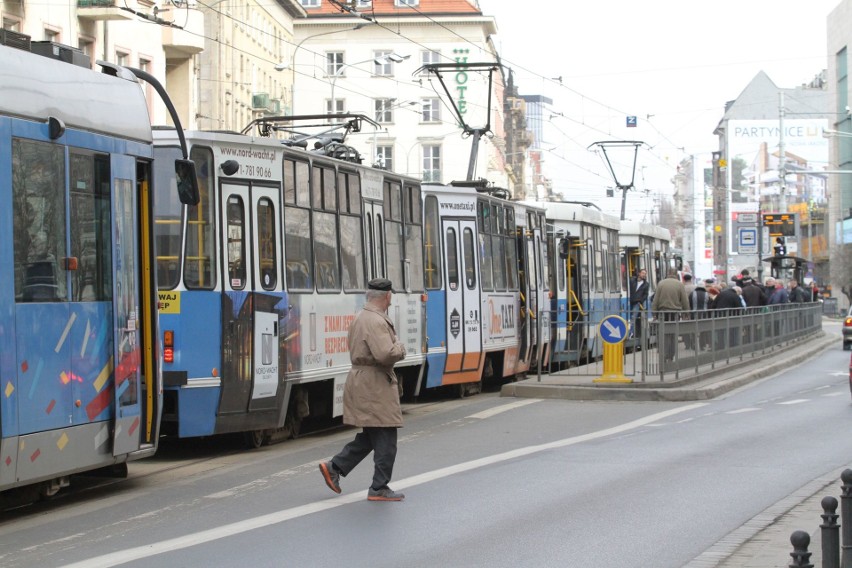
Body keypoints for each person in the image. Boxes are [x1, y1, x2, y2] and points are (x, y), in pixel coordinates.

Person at [319, 278, 407, 502]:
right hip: (374, 384)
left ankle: (334, 467)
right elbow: (385, 354)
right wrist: (400, 347)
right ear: (387, 296)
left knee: (371, 435)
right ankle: (379, 487)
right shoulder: (375, 321)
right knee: (386, 434)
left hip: (363, 380)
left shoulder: (360, 316)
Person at [651, 269, 690, 361]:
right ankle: (670, 355)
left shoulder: (661, 283)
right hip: (674, 313)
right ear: (676, 275)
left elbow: (655, 299)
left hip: (662, 313)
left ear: (667, 274)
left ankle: (663, 353)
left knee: (663, 334)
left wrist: (654, 313)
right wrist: (686, 312)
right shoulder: (679, 284)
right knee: (673, 335)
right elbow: (684, 300)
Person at [628, 268, 649, 338]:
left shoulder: (646, 284)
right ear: (639, 273)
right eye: (643, 273)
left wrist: (641, 300)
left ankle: (630, 334)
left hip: (637, 303)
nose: (644, 275)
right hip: (630, 301)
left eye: (645, 274)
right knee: (628, 318)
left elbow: (646, 294)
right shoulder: (632, 280)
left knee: (633, 318)